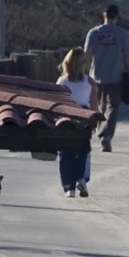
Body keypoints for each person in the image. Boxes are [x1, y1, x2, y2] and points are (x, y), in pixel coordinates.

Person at [82, 5, 129, 150]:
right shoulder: (121, 34)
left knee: (96, 107)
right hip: (116, 77)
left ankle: (88, 133)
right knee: (113, 108)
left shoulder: (93, 33)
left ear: (104, 15)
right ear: (117, 17)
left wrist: (84, 72)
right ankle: (106, 135)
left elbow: (87, 54)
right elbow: (127, 55)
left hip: (96, 77)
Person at [54, 49, 96, 197]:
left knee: (66, 153)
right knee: (82, 150)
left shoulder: (62, 81)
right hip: (84, 117)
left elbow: (57, 102)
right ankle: (80, 177)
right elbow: (93, 103)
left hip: (66, 117)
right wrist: (94, 121)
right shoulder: (89, 82)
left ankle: (69, 187)